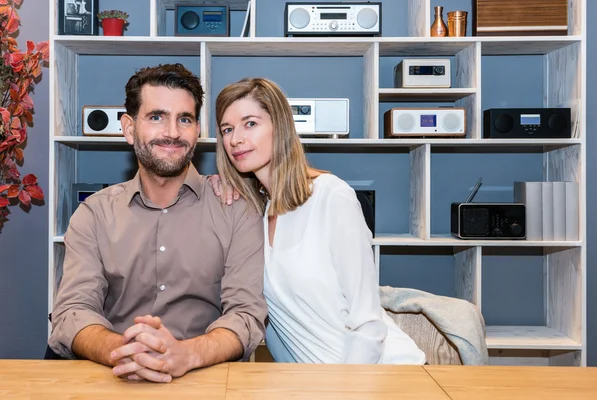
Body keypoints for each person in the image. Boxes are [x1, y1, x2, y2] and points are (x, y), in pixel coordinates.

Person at [47, 64, 267, 383]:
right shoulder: (93, 214)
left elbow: (246, 316)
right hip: (114, 377)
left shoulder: (236, 210)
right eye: (156, 117)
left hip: (206, 380)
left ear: (197, 130)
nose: (173, 133)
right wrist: (126, 350)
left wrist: (187, 354)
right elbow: (71, 313)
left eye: (185, 119)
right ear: (129, 128)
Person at [210, 77, 426, 364]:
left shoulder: (331, 196)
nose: (236, 139)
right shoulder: (255, 215)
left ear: (280, 126)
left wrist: (345, 390)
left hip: (378, 374)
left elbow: (368, 322)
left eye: (250, 123)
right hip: (313, 382)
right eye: (227, 129)